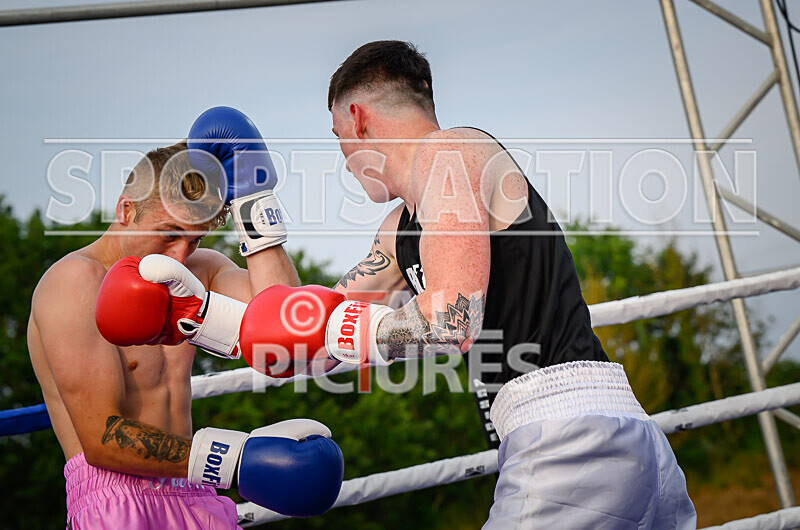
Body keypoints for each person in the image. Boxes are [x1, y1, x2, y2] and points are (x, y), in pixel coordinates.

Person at [28, 107, 343, 529]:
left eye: (193, 239)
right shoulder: (74, 282)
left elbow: (290, 332)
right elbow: (103, 439)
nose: (178, 255)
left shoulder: (200, 269)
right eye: (169, 233)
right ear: (126, 211)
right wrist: (233, 461)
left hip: (195, 491)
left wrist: (253, 199)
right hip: (117, 502)